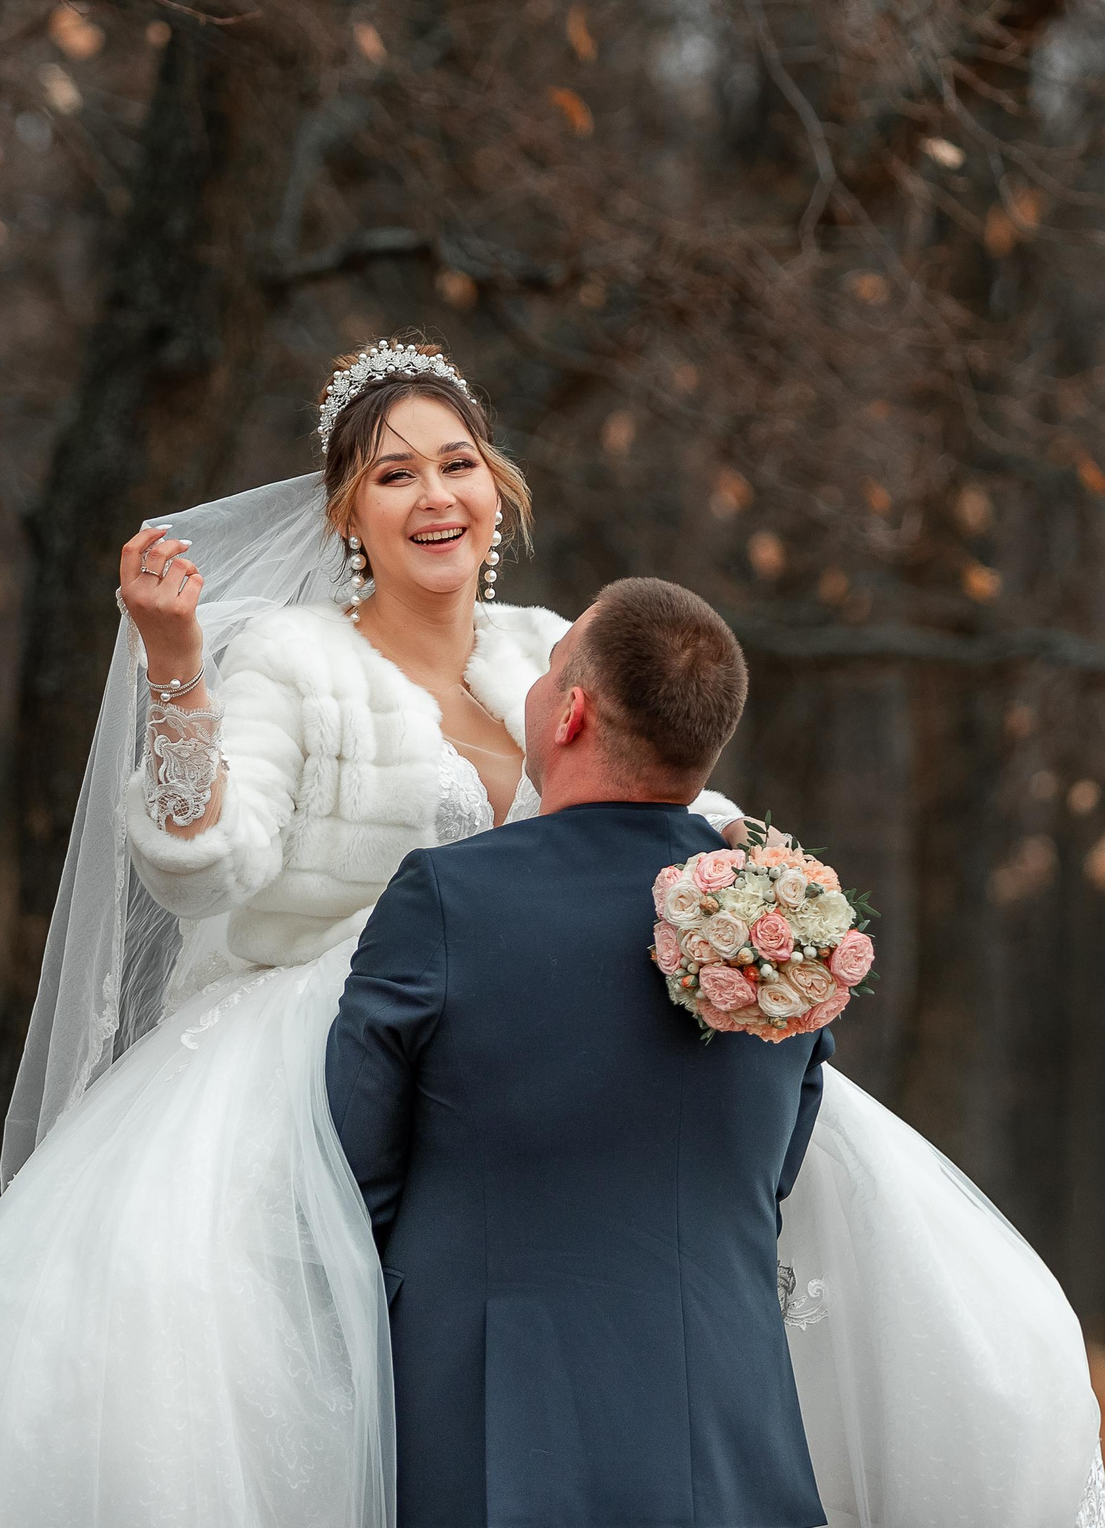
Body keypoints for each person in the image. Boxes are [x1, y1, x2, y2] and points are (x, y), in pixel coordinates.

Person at [0, 339, 1105, 1528]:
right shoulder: (292, 659)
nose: (433, 495)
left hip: (550, 1045)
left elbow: (666, 811)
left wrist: (763, 896)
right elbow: (204, 866)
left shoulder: (544, 648)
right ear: (346, 512)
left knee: (860, 1224)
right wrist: (177, 665)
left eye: (455, 464)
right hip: (329, 1044)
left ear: (495, 488)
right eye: (393, 474)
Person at [328, 579, 833, 1527]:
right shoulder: (788, 922)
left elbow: (350, 1164)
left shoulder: (446, 897)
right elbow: (774, 1163)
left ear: (570, 712)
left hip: (494, 1416)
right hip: (727, 1419)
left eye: (552, 665)